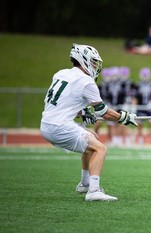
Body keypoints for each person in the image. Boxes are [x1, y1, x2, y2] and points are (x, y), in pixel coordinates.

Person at [40, 44, 138, 201]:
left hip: (46, 124)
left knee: (91, 138)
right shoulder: (86, 81)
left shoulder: (61, 73)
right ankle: (93, 190)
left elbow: (62, 102)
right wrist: (123, 117)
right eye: (93, 62)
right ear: (83, 60)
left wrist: (83, 112)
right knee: (101, 149)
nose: (95, 65)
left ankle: (85, 184)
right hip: (59, 126)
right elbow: (103, 112)